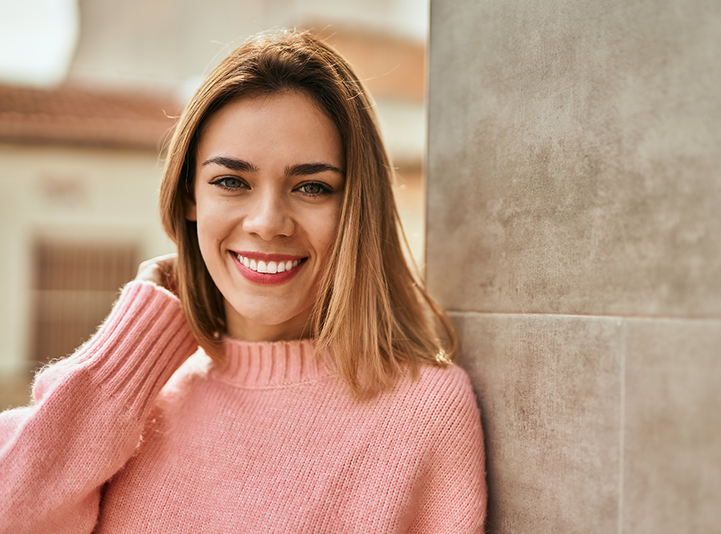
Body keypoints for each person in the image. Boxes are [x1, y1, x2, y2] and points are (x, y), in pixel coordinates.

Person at [0, 30, 486, 533]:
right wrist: (127, 350)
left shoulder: (424, 412)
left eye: (312, 187)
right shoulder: (133, 404)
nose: (268, 221)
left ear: (355, 209)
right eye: (232, 181)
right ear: (190, 196)